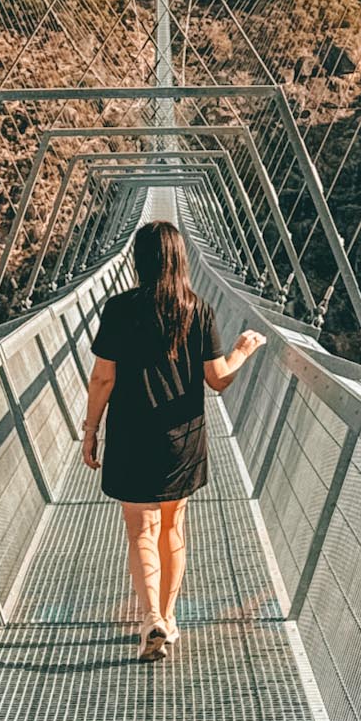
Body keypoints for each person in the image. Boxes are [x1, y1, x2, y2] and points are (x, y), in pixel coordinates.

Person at [82, 219, 266, 662]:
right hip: (182, 440)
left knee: (140, 532)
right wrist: (243, 348)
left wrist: (90, 431)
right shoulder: (197, 308)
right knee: (173, 529)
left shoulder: (118, 309)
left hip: (129, 438)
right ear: (181, 259)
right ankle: (169, 615)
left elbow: (103, 377)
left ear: (139, 261)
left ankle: (151, 621)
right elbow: (218, 379)